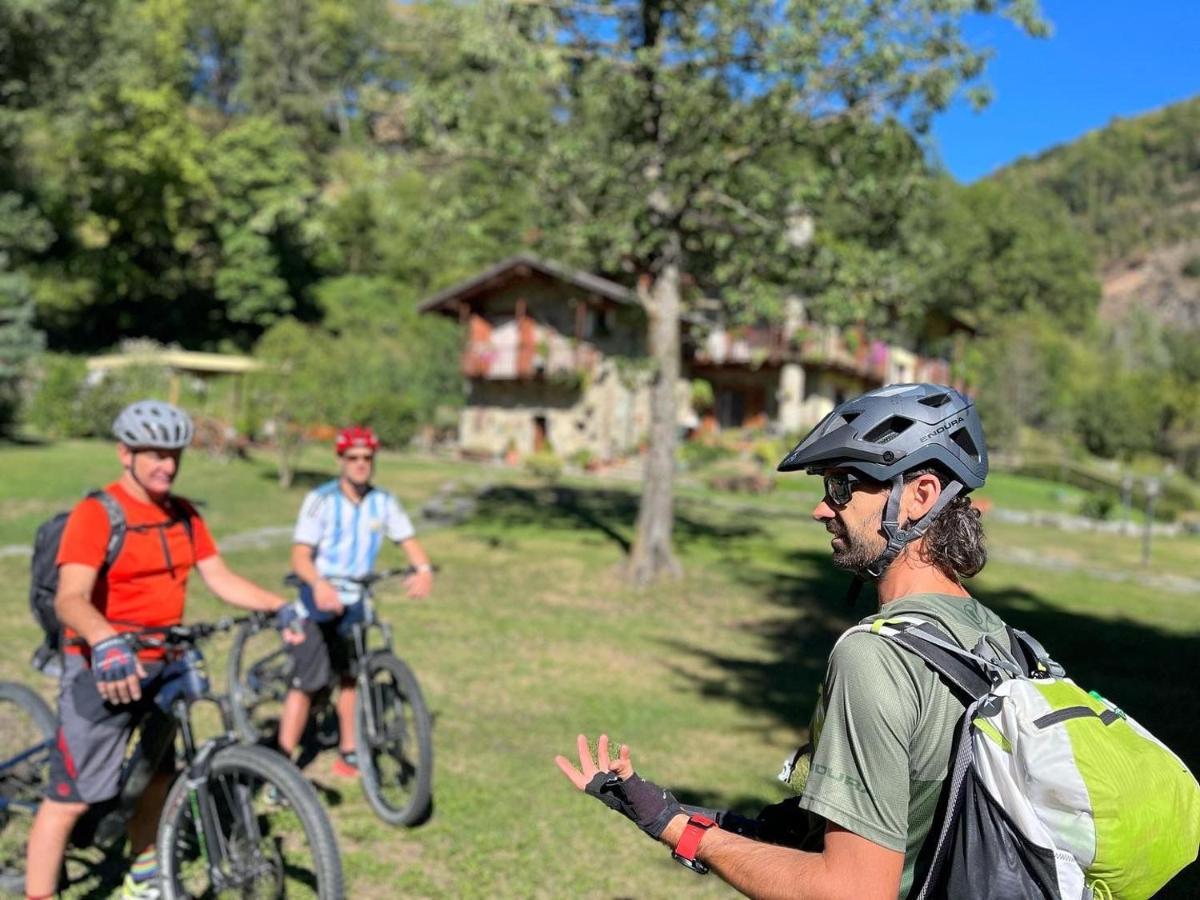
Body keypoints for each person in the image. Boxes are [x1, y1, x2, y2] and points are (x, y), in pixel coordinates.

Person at [556, 383, 1010, 899]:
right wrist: (664, 809)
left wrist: (680, 833)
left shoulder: (877, 658)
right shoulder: (1004, 644)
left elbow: (850, 892)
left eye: (841, 486)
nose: (822, 509)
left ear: (920, 496)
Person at [24, 400, 303, 900]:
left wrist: (280, 606)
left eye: (174, 455)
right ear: (124, 453)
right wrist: (105, 639)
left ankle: (144, 874)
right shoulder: (96, 514)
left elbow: (220, 578)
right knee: (69, 800)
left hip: (163, 664)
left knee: (159, 776)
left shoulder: (184, 515)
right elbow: (70, 599)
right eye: (155, 454)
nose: (168, 466)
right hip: (102, 665)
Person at [276, 425, 434, 777]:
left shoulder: (384, 503)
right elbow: (300, 556)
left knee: (351, 676)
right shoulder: (321, 500)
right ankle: (280, 766)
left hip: (355, 600)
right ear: (341, 460)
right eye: (353, 458)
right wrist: (319, 584)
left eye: (367, 458)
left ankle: (349, 751)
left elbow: (408, 540)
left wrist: (422, 569)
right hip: (319, 598)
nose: (361, 465)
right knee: (306, 683)